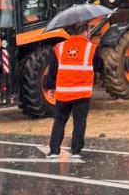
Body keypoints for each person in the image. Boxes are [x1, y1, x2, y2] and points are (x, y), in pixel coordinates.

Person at [44, 21, 103, 160]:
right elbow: (100, 67)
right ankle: (76, 151)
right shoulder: (91, 49)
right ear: (85, 31)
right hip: (81, 94)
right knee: (79, 122)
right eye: (89, 29)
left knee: (59, 121)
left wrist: (51, 86)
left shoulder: (60, 47)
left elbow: (52, 70)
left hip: (63, 93)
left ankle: (53, 151)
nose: (89, 32)